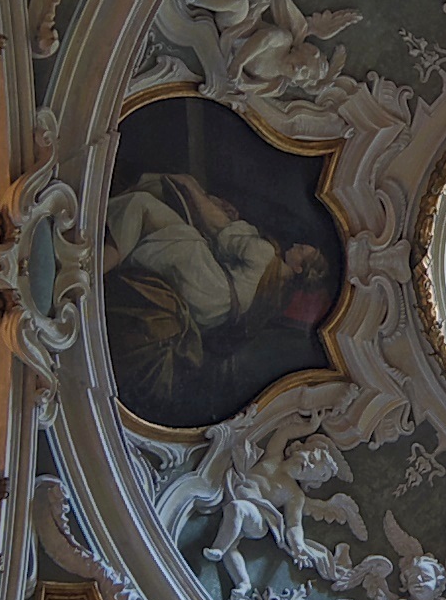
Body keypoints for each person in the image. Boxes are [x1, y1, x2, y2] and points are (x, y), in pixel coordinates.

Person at [104, 171, 335, 421]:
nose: (295, 245)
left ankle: (92, 265)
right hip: (213, 314)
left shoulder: (266, 254)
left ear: (299, 268)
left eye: (301, 250)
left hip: (205, 283)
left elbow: (218, 226)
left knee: (140, 206)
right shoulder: (275, 297)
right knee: (158, 221)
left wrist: (191, 187)